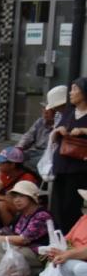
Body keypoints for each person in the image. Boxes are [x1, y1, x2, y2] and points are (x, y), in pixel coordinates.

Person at [48, 77, 87, 233]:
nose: (71, 93)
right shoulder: (70, 113)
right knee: (57, 206)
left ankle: (70, 237)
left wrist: (84, 131)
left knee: (71, 206)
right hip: (62, 165)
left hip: (80, 168)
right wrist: (58, 131)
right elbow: (53, 137)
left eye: (75, 89)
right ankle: (59, 237)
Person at [17, 85, 66, 167]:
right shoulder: (40, 121)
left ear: (55, 112)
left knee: (30, 163)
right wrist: (19, 147)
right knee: (16, 158)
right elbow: (29, 135)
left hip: (48, 152)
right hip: (36, 151)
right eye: (43, 112)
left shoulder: (60, 123)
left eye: (47, 112)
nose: (44, 114)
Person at [0, 146, 41, 226]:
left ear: (12, 165)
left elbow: (25, 202)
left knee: (1, 205)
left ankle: (11, 228)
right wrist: (1, 196)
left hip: (25, 208)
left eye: (2, 163)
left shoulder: (27, 178)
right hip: (12, 203)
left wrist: (1, 197)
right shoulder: (4, 174)